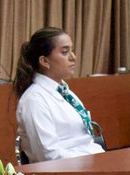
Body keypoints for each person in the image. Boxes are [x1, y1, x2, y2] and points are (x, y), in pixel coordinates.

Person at [14, 28, 104, 162]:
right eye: (64, 52)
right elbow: (49, 156)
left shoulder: (65, 92)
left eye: (72, 50)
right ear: (44, 61)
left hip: (91, 160)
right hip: (68, 172)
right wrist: (91, 160)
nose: (73, 57)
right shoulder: (34, 100)